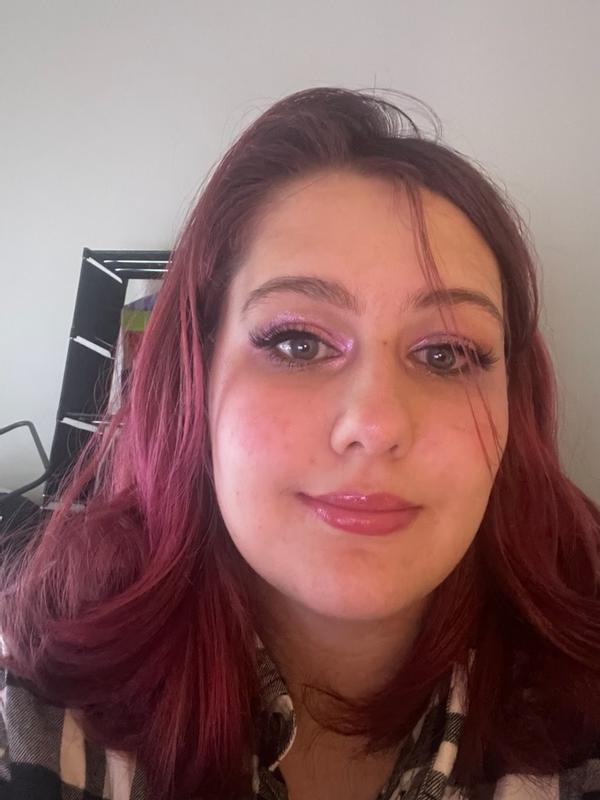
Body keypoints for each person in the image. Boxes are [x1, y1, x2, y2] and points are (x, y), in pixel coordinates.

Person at [0, 86, 599, 800]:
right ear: (195, 378)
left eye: (446, 354)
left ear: (512, 407)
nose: (374, 424)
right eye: (297, 341)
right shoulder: (32, 717)